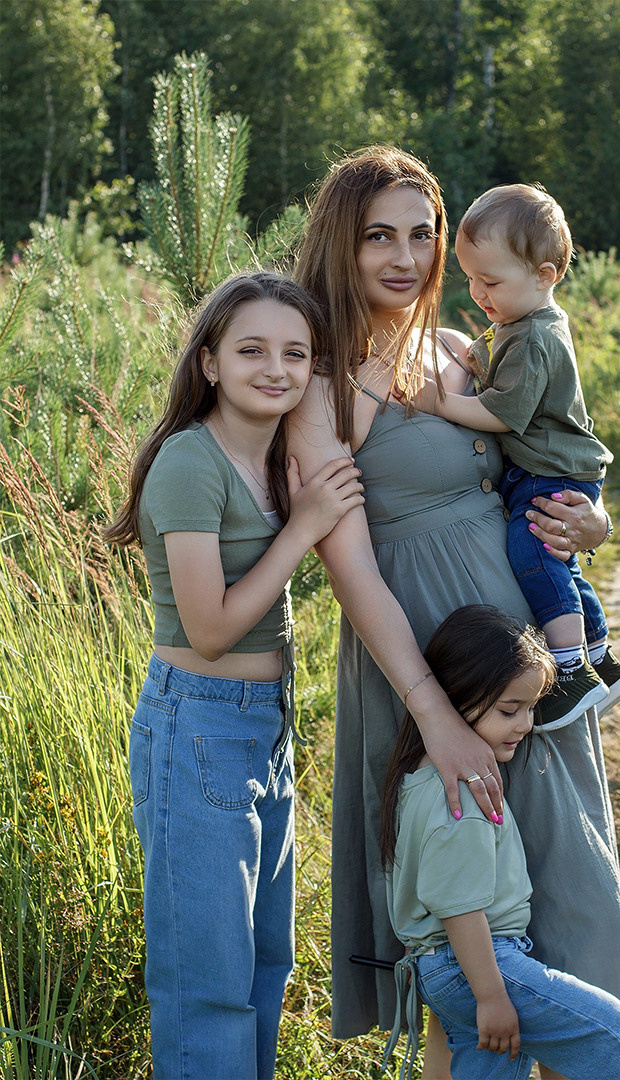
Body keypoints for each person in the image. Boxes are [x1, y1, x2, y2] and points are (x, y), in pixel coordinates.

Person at [289, 147, 620, 1079]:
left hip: (524, 653)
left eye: (422, 233)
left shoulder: (458, 350)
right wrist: (434, 717)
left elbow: (546, 458)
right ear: (342, 243)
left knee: (565, 906)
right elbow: (350, 567)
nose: (404, 257)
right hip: (424, 664)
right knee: (461, 935)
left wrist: (592, 523)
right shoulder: (318, 382)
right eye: (378, 236)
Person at [103, 272, 364, 1080]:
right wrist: (307, 528)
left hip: (266, 725)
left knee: (263, 965)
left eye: (296, 353)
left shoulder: (279, 460)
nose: (275, 368)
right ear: (210, 362)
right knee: (206, 985)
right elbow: (211, 629)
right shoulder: (192, 463)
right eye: (252, 350)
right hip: (200, 723)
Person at [380, 605, 620, 1080]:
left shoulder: (426, 776)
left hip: (456, 970)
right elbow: (459, 909)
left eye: (531, 707)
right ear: (452, 699)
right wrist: (491, 996)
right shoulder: (461, 799)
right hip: (479, 965)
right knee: (615, 1035)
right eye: (510, 710)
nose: (526, 723)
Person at [397, 183, 620, 729]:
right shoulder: (516, 321)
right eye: (470, 278)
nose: (478, 292)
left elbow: (503, 413)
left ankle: (571, 670)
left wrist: (440, 400)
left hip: (550, 471)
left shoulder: (532, 336)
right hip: (551, 468)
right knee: (559, 562)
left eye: (491, 281)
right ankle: (602, 656)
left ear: (544, 275)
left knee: (534, 553)